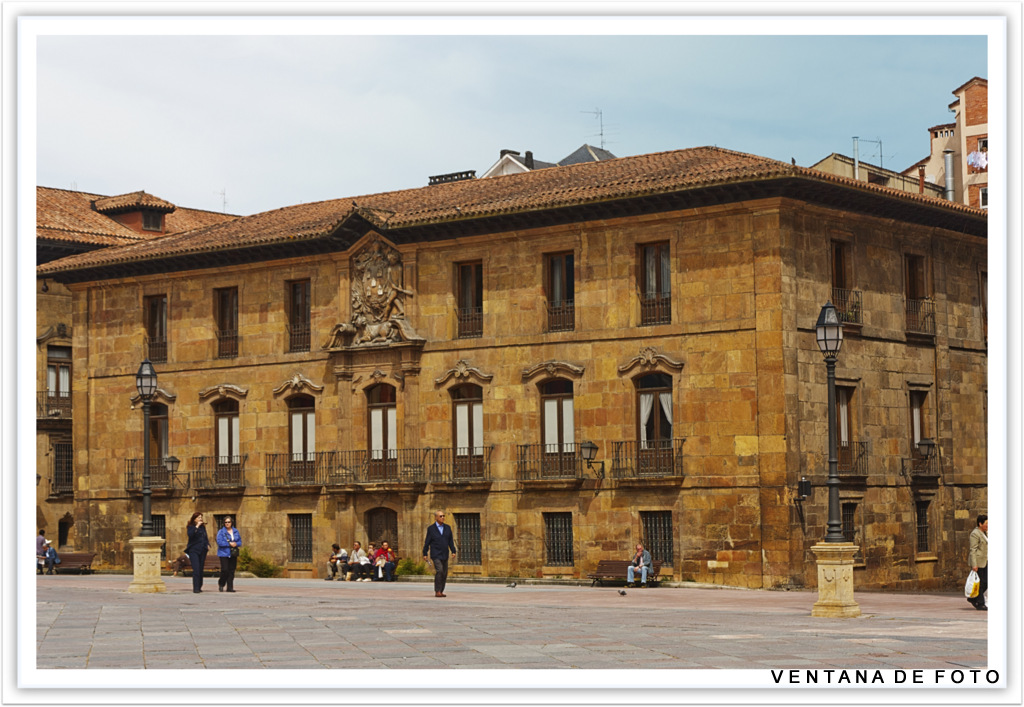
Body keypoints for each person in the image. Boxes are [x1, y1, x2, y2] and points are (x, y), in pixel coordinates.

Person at [422, 510, 457, 597]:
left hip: (445, 553)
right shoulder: (431, 529)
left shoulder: (447, 528)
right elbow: (427, 542)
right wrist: (425, 553)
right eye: (440, 516)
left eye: (443, 516)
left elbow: (450, 541)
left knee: (444, 573)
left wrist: (453, 551)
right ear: (436, 517)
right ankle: (437, 590)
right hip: (436, 553)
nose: (443, 518)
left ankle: (441, 590)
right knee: (440, 570)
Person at [184, 512, 210, 593]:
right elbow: (191, 535)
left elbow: (205, 537)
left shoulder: (203, 528)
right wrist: (197, 526)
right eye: (199, 517)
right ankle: (195, 588)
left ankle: (199, 586)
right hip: (193, 550)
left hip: (202, 550)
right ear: (194, 519)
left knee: (201, 569)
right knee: (196, 568)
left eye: (201, 517)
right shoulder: (191, 527)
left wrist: (207, 544)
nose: (200, 519)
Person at [216, 516, 242, 593]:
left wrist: (236, 544)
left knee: (231, 570)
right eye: (226, 522)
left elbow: (240, 542)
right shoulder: (221, 532)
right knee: (225, 570)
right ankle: (221, 583)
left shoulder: (235, 531)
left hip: (233, 553)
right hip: (224, 553)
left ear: (231, 523)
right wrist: (229, 544)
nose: (227, 524)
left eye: (229, 522)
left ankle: (230, 587)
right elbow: (219, 542)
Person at [968, 514, 988, 611]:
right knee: (981, 582)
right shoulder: (975, 534)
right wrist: (974, 564)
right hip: (979, 562)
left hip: (986, 561)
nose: (987, 526)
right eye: (986, 524)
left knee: (986, 582)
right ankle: (980, 603)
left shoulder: (985, 533)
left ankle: (973, 598)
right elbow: (973, 550)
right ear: (980, 524)